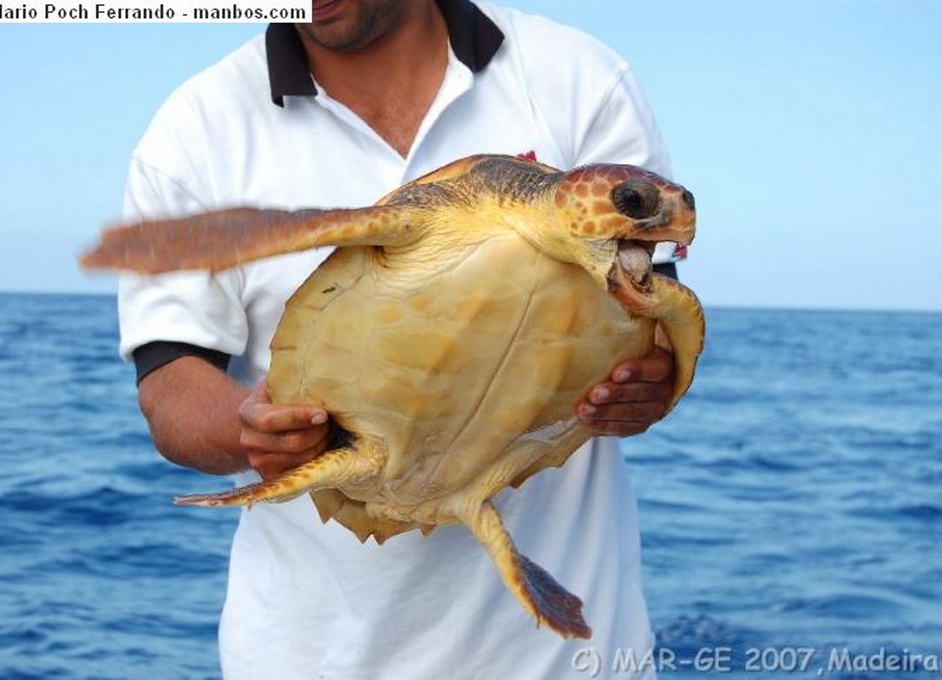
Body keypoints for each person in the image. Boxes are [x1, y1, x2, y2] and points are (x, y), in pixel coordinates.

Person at [118, 1, 681, 677]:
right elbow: (169, 380)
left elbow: (649, 324)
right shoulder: (197, 131)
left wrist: (654, 385)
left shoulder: (578, 78)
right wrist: (248, 430)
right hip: (312, 656)